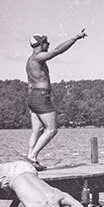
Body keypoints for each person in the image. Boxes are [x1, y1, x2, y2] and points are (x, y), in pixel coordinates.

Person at [25, 29, 88, 171]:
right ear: (40, 44)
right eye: (46, 42)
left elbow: (30, 84)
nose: (48, 44)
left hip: (33, 96)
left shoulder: (29, 61)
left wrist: (31, 104)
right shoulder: (38, 57)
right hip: (41, 96)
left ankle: (31, 157)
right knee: (52, 129)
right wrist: (75, 37)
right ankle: (32, 157)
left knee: (37, 130)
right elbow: (58, 51)